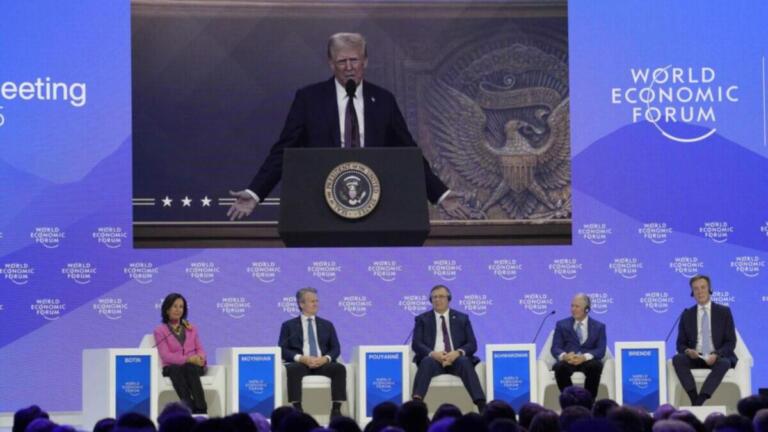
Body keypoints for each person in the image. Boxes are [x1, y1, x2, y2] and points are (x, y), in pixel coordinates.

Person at [227, 32, 468, 221]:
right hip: (320, 205)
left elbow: (409, 153)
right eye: (342, 61)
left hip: (374, 205)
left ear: (365, 61)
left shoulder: (383, 100)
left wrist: (440, 194)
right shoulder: (309, 99)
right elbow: (283, 151)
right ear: (331, 64)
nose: (349, 67)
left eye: (354, 60)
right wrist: (255, 193)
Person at [411, 285, 486, 412]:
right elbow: (416, 344)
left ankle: (481, 405)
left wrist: (457, 353)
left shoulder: (462, 318)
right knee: (427, 361)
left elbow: (472, 344)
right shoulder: (422, 319)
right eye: (434, 297)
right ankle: (416, 405)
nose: (437, 300)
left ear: (449, 299)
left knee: (464, 361)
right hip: (433, 361)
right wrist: (433, 354)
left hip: (456, 360)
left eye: (441, 296)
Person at [278, 287, 347, 418]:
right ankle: (297, 409)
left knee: (339, 368)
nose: (316, 304)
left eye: (317, 301)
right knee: (293, 369)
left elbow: (336, 348)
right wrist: (301, 358)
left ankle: (336, 409)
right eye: (312, 301)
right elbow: (282, 349)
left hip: (322, 363)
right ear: (301, 304)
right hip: (301, 363)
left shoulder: (327, 325)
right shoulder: (288, 325)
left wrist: (325, 358)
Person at [672, 274, 737, 406]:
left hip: (717, 356)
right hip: (696, 357)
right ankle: (694, 398)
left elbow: (731, 342)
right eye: (696, 289)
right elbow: (680, 344)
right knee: (678, 359)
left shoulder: (724, 312)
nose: (700, 291)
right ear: (692, 292)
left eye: (703, 287)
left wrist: (716, 354)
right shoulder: (687, 314)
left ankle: (700, 400)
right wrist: (688, 351)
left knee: (724, 363)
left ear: (709, 289)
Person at [153, 293, 208, 414]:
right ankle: (189, 408)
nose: (178, 310)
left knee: (189, 367)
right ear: (167, 309)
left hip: (193, 367)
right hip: (172, 367)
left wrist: (200, 358)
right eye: (174, 306)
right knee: (175, 369)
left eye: (181, 307)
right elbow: (165, 355)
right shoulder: (160, 331)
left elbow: (200, 349)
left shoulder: (191, 328)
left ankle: (201, 409)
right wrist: (188, 359)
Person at [550, 293, 607, 401]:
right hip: (569, 360)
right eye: (572, 306)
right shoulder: (561, 324)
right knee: (560, 368)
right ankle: (571, 401)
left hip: (588, 361)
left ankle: (588, 402)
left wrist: (584, 357)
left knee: (595, 367)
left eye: (577, 306)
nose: (573, 309)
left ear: (587, 309)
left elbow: (601, 350)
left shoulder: (599, 327)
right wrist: (565, 356)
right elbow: (555, 347)